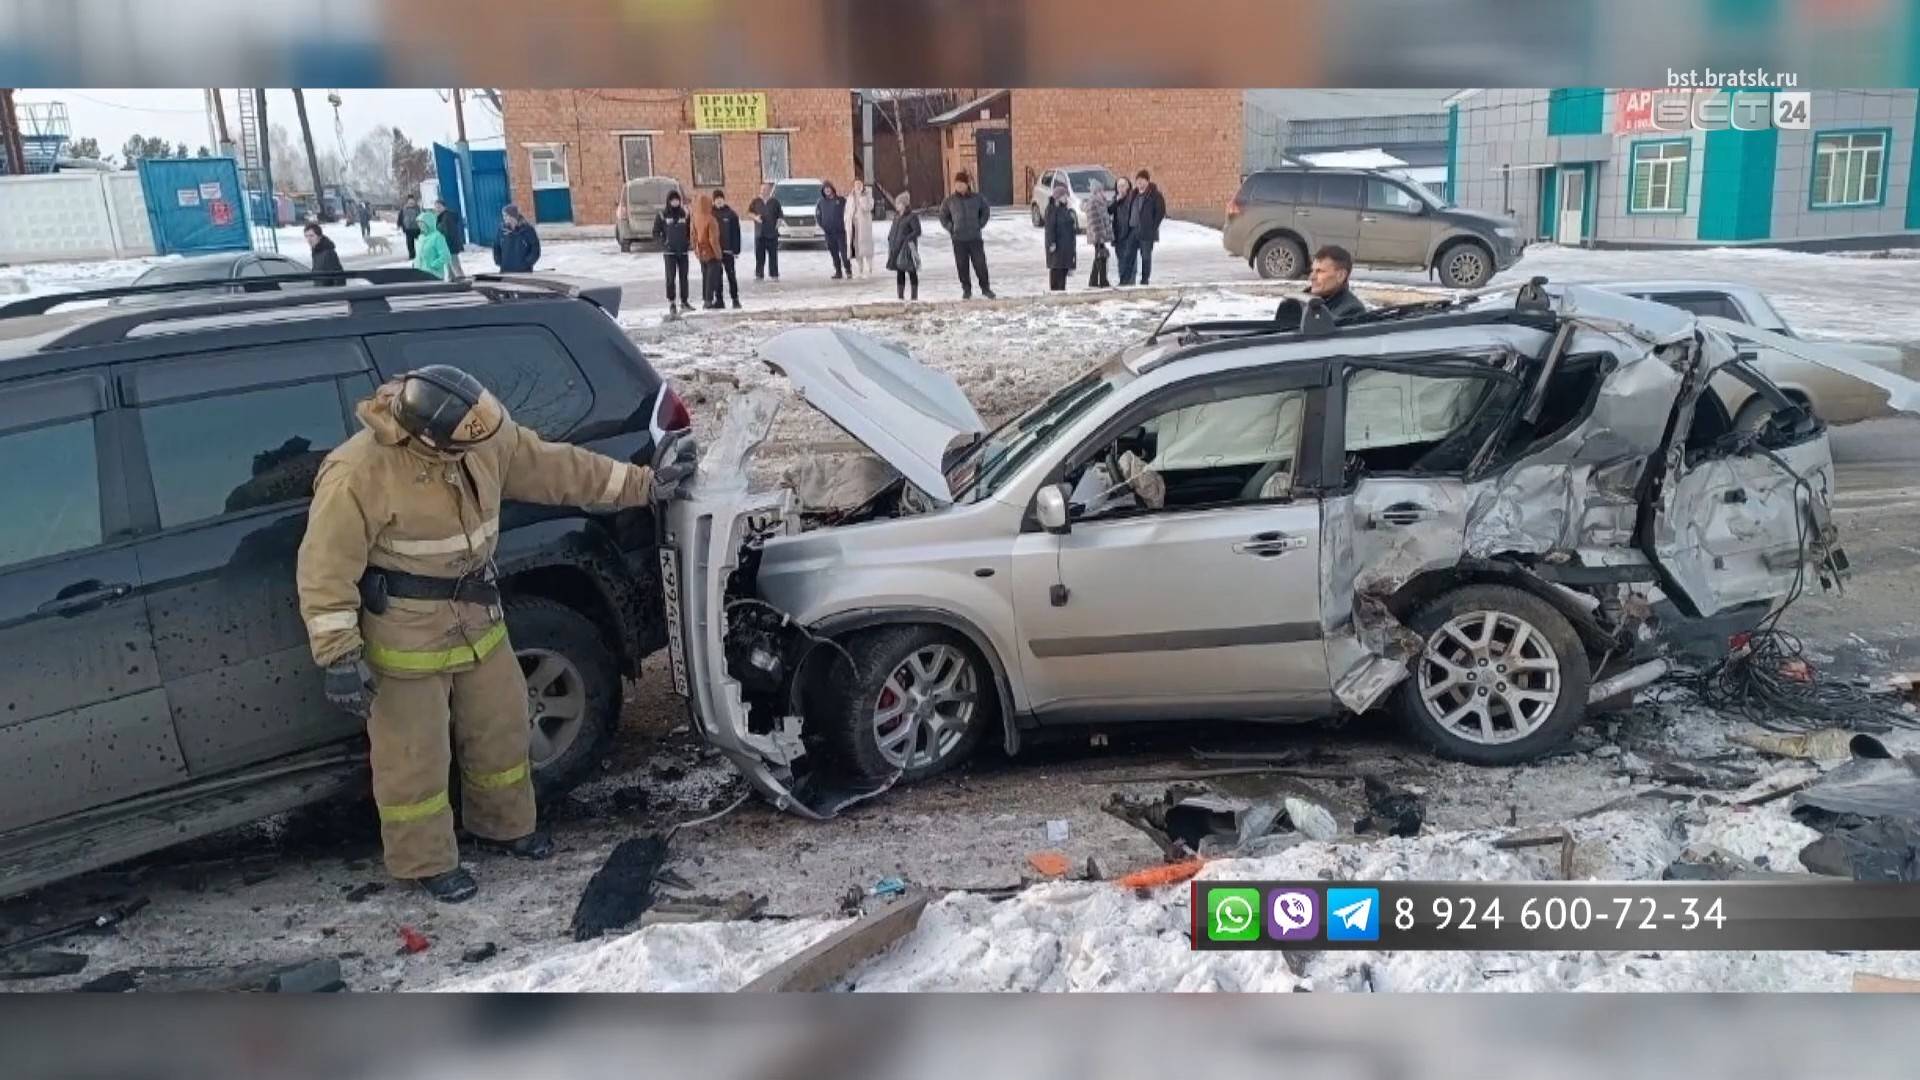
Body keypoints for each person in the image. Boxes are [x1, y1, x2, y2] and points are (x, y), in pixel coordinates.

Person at [296, 366, 694, 902]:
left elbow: (557, 467)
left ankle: (505, 828)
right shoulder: (358, 473)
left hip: (479, 618)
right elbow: (324, 569)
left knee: (503, 731)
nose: (481, 445)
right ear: (429, 438)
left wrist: (643, 485)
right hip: (408, 633)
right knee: (414, 757)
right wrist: (339, 654)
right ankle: (426, 861)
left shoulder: (478, 434)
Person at [938, 170, 995, 299]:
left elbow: (985, 211)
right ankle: (966, 289)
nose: (958, 186)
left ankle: (986, 288)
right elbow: (942, 216)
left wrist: (979, 224)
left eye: (961, 184)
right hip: (958, 239)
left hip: (975, 238)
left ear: (966, 184)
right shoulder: (949, 201)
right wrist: (950, 227)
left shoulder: (977, 198)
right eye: (956, 184)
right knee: (962, 266)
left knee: (980, 264)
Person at [1304, 244, 1368, 321]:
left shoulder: (1351, 312)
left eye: (1319, 271)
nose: (1312, 277)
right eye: (1312, 271)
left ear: (1341, 276)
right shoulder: (1304, 298)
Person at [652, 191, 691, 315]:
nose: (675, 202)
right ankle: (672, 302)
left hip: (683, 251)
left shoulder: (684, 214)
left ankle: (684, 301)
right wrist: (664, 243)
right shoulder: (662, 215)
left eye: (677, 200)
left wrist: (688, 242)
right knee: (670, 278)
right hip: (670, 253)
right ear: (668, 201)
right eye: (673, 200)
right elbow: (656, 233)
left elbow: (690, 230)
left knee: (684, 277)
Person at [1129, 169, 1167, 286]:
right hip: (1133, 230)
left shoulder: (1154, 195)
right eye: (1138, 181)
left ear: (1147, 181)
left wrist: (1152, 227)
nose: (1139, 183)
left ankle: (1145, 279)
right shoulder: (1134, 194)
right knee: (1130, 255)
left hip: (1147, 231)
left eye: (1142, 180)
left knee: (1145, 256)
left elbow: (1160, 212)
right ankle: (1130, 279)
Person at [885, 190, 921, 300]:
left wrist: (907, 239)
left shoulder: (911, 216)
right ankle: (900, 296)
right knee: (900, 271)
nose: (896, 205)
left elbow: (917, 231)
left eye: (898, 203)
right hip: (897, 247)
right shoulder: (897, 217)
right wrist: (890, 238)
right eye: (896, 203)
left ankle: (914, 296)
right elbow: (893, 230)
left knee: (911, 270)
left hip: (908, 248)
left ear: (904, 204)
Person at [1042, 180, 1077, 292]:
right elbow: (1050, 228)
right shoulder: (1052, 210)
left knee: (1063, 271)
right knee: (1056, 270)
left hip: (1065, 246)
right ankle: (1055, 292)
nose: (1066, 197)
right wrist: (1051, 243)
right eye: (1064, 195)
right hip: (1057, 247)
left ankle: (1061, 291)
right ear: (1058, 197)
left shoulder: (1064, 209)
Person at [692, 192, 724, 310]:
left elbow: (692, 236)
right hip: (711, 253)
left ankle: (705, 299)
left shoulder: (695, 218)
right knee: (712, 277)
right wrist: (718, 254)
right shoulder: (711, 220)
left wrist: (696, 250)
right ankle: (709, 300)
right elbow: (713, 239)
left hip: (701, 252)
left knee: (705, 277)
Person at [712, 189, 742, 308]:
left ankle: (735, 299)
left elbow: (736, 233)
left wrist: (736, 249)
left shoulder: (731, 214)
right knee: (717, 277)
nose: (719, 201)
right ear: (713, 201)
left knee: (731, 275)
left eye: (721, 198)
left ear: (724, 199)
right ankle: (719, 300)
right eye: (717, 199)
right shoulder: (711, 214)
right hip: (715, 251)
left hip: (728, 250)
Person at [748, 182, 783, 280]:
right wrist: (755, 217)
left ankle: (774, 274)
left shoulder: (775, 202)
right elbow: (749, 213)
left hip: (772, 234)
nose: (764, 191)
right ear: (760, 190)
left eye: (766, 189)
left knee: (773, 256)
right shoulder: (755, 201)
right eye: (763, 189)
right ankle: (759, 274)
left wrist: (778, 223)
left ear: (769, 190)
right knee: (759, 256)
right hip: (760, 234)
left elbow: (780, 215)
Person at [492, 204, 541, 273]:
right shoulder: (501, 230)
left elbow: (535, 247)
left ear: (513, 216)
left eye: (506, 215)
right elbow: (496, 246)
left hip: (524, 271)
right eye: (503, 215)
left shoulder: (527, 229)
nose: (504, 218)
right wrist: (498, 261)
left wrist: (528, 262)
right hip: (505, 270)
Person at [1083, 179, 1113, 288]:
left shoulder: (1101, 201)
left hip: (1101, 235)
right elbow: (1093, 221)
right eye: (1100, 190)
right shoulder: (1093, 202)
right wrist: (1098, 236)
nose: (1103, 192)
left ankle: (1094, 281)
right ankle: (1102, 281)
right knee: (1101, 256)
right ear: (1096, 191)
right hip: (1097, 236)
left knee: (1099, 256)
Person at [817, 181, 849, 280]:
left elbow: (848, 213)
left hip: (840, 232)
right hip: (829, 233)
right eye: (825, 188)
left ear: (832, 189)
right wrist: (823, 226)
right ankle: (838, 272)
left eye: (828, 188)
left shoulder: (841, 200)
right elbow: (818, 216)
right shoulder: (821, 202)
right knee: (834, 254)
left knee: (844, 253)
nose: (827, 190)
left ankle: (848, 270)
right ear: (823, 190)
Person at [846, 179, 876, 278]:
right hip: (853, 225)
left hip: (864, 225)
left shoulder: (867, 194)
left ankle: (870, 268)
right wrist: (847, 220)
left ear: (862, 185)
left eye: (859, 184)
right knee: (856, 247)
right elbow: (847, 210)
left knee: (866, 247)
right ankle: (860, 269)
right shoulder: (850, 196)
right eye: (856, 184)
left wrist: (862, 198)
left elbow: (869, 207)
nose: (858, 186)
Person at [412, 208, 452, 281]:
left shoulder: (438, 237)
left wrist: (433, 265)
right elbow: (419, 255)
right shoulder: (421, 238)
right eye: (419, 223)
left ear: (429, 223)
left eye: (422, 223)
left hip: (434, 276)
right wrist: (415, 264)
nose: (420, 226)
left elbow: (446, 256)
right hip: (419, 275)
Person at [1111, 176, 1138, 285]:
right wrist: (1116, 202)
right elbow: (1109, 211)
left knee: (1131, 261)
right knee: (1121, 261)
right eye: (1119, 186)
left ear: (1128, 187)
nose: (1121, 189)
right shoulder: (1115, 199)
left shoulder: (1133, 199)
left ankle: (1131, 283)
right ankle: (1123, 283)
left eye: (1123, 186)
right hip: (1118, 236)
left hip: (1130, 235)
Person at [433, 199, 467, 280]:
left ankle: (461, 281)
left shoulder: (447, 217)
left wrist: (445, 242)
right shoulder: (442, 216)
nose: (437, 209)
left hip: (450, 244)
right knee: (449, 264)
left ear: (444, 207)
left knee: (454, 264)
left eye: (439, 207)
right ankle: (451, 280)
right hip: (447, 244)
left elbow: (449, 232)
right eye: (436, 207)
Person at [398, 195, 420, 260]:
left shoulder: (417, 208)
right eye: (410, 201)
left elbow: (422, 216)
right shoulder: (404, 209)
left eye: (412, 201)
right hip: (408, 228)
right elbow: (400, 217)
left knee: (421, 242)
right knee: (410, 243)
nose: (411, 202)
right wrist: (399, 224)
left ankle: (421, 254)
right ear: (407, 202)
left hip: (417, 228)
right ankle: (412, 255)